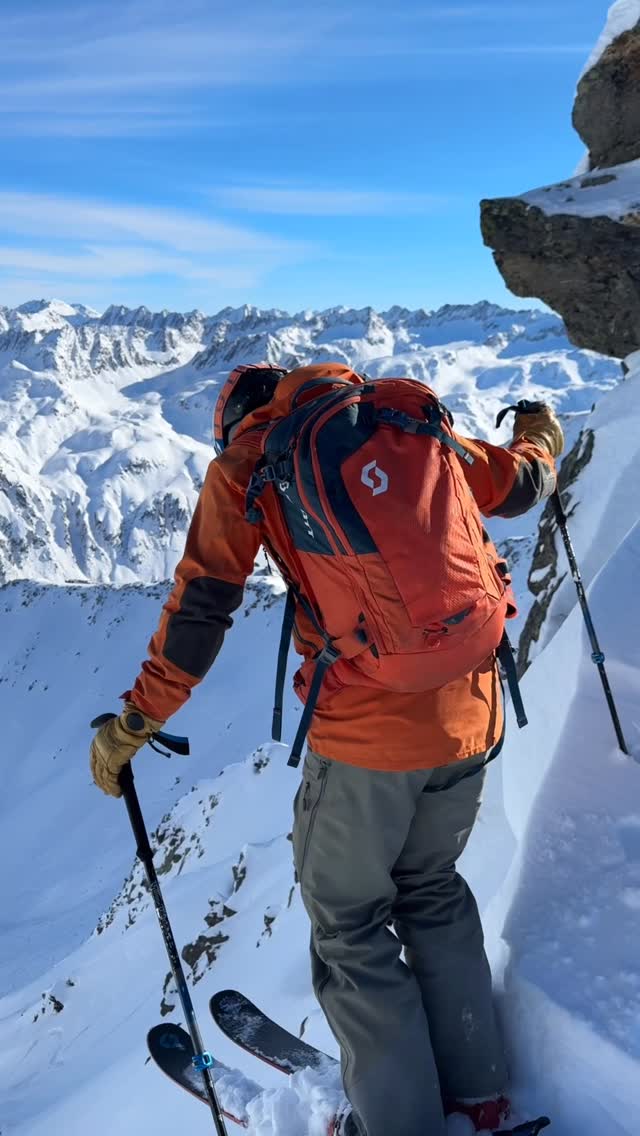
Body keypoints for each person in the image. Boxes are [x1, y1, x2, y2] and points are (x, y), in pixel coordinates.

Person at [91, 362, 563, 1136]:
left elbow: (202, 607)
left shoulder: (248, 465)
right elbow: (519, 485)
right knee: (433, 889)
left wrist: (136, 722)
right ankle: (480, 1098)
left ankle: (400, 1124)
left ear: (233, 422)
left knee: (350, 925)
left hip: (369, 735)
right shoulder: (406, 424)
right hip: (473, 706)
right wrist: (537, 438)